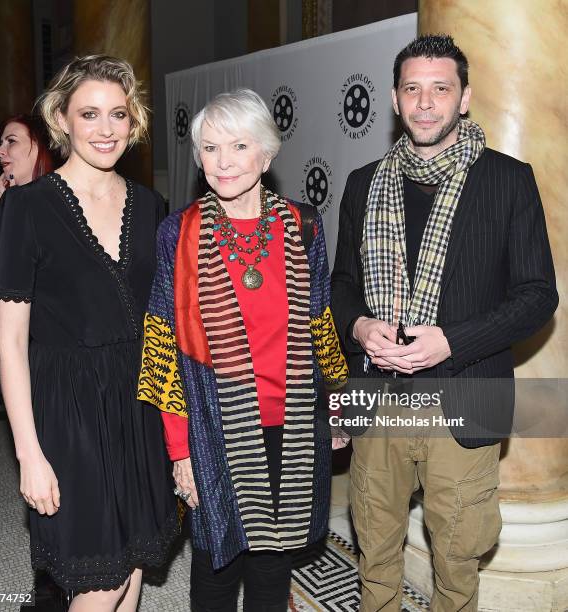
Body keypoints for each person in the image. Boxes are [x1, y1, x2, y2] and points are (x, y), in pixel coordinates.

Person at [331, 35, 558, 611]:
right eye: (413, 89)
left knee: (457, 560)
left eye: (440, 89)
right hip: (377, 395)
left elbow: (537, 297)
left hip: (465, 394)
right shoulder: (362, 183)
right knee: (375, 547)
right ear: (394, 99)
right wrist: (358, 327)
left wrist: (451, 341)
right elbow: (340, 289)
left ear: (465, 99)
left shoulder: (507, 180)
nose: (425, 103)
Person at [137, 88, 349, 612]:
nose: (223, 161)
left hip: (293, 420)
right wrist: (180, 450)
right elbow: (162, 342)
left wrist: (339, 405)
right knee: (216, 558)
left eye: (238, 146)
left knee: (273, 561)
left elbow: (321, 320)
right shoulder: (178, 232)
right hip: (214, 425)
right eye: (209, 148)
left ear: (266, 154)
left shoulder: (303, 225)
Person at [0, 55, 178, 611]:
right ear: (62, 119)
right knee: (102, 580)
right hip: (69, 409)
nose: (104, 128)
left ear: (133, 121)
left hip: (139, 402)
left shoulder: (151, 207)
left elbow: (163, 324)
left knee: (137, 562)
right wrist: (28, 452)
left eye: (117, 114)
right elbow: (9, 341)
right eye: (89, 113)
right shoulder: (27, 207)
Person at [0, 115, 55, 328]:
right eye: (1, 143)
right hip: (26, 331)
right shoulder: (15, 202)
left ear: (38, 147)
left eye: (11, 141)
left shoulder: (55, 204)